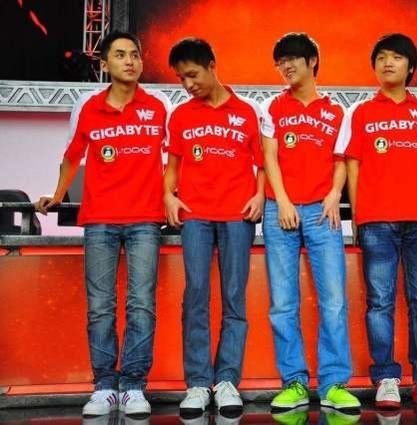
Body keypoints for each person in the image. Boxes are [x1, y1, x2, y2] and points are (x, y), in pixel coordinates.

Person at [35, 30, 169, 416]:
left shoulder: (158, 106)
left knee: (141, 304)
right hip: (100, 220)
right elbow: (72, 156)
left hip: (145, 219)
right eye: (121, 55)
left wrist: (175, 196)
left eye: (135, 55)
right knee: (100, 306)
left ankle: (134, 386)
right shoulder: (89, 107)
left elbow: (175, 158)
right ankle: (105, 386)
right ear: (106, 63)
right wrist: (57, 194)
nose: (130, 61)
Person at [335, 33, 417, 410]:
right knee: (380, 302)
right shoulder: (361, 112)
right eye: (382, 57)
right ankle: (386, 377)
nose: (388, 63)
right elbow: (353, 164)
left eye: (397, 57)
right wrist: (359, 215)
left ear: (410, 66)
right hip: (376, 221)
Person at [164, 37, 265, 417]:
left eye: (192, 75)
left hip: (238, 216)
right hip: (195, 216)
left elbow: (263, 164)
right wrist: (168, 196)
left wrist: (260, 195)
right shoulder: (181, 115)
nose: (188, 84)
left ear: (212, 65)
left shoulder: (247, 112)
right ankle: (197, 383)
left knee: (234, 297)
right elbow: (172, 168)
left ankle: (226, 382)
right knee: (196, 295)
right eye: (181, 79)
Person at [260, 32, 360, 412]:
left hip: (322, 211)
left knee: (333, 300)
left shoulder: (336, 111)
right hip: (280, 210)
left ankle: (334, 384)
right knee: (283, 303)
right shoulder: (272, 107)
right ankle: (295, 383)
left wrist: (335, 194)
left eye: (292, 59)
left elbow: (340, 159)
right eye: (280, 61)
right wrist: (283, 200)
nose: (285, 67)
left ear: (312, 61)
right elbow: (269, 158)